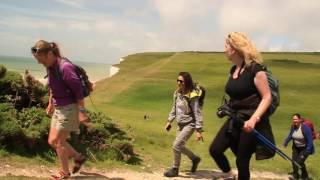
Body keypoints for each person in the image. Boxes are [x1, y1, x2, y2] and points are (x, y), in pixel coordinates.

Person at [209, 32, 275, 180]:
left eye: (227, 46)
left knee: (242, 160)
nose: (224, 49)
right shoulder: (234, 70)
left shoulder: (256, 70)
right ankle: (229, 175)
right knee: (215, 149)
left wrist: (254, 119)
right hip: (234, 119)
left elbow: (267, 97)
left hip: (250, 121)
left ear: (235, 48)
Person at [31, 40, 87, 179]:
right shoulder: (50, 67)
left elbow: (78, 91)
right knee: (52, 141)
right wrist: (50, 103)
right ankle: (78, 158)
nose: (40, 63)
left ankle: (65, 173)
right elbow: (53, 85)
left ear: (50, 54)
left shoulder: (65, 67)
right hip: (58, 107)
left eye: (41, 59)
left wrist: (81, 112)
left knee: (59, 142)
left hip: (69, 108)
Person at [164, 72, 203, 177]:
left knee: (176, 145)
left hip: (190, 124)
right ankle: (195, 159)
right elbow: (174, 108)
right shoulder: (177, 93)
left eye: (181, 81)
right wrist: (169, 121)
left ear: (187, 82)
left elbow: (197, 112)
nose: (178, 83)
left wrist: (198, 130)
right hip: (179, 124)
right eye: (177, 80)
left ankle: (175, 169)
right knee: (179, 146)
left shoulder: (192, 95)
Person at [283, 113, 315, 180]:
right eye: (293, 119)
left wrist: (307, 151)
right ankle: (295, 176)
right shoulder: (293, 127)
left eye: (296, 119)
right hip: (296, 148)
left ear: (300, 120)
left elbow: (310, 141)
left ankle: (305, 176)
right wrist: (286, 142)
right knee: (294, 161)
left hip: (305, 149)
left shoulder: (306, 128)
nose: (294, 121)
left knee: (299, 162)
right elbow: (291, 135)